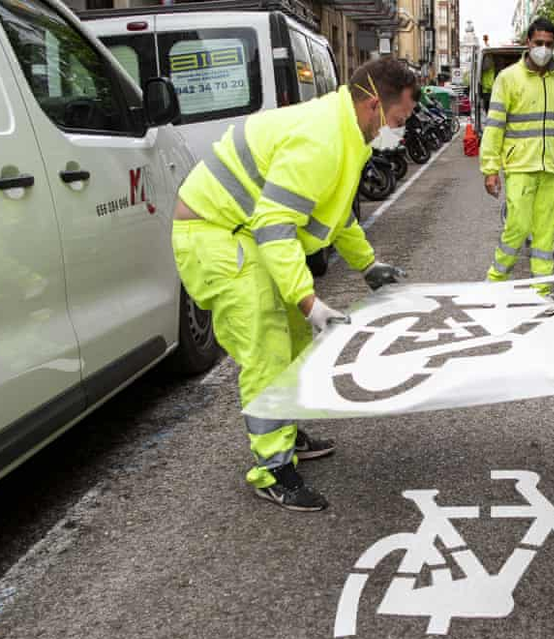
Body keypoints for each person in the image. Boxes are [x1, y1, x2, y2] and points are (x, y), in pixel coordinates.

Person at [171, 57, 416, 512]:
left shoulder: (347, 134)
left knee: (297, 340)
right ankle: (272, 469)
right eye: (398, 120)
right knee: (267, 348)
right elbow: (275, 226)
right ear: (373, 105)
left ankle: (286, 431)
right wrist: (308, 301)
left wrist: (368, 265)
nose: (398, 131)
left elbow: (334, 213)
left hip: (246, 232)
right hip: (218, 234)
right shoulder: (322, 138)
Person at [480, 17, 554, 284]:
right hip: (520, 166)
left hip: (553, 168)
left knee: (546, 234)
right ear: (528, 42)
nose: (543, 49)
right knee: (517, 227)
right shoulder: (508, 79)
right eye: (539, 42)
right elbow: (494, 126)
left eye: (549, 44)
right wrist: (490, 169)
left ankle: (541, 290)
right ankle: (495, 281)